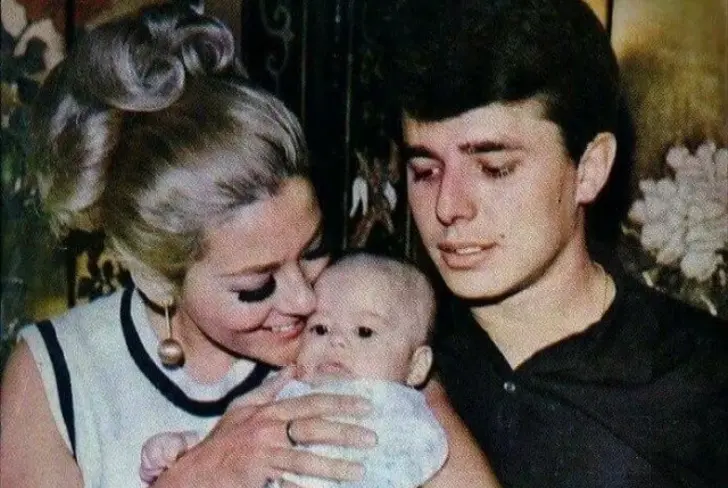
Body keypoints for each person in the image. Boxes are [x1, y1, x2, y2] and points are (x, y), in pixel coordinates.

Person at [0, 3, 497, 488]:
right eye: (256, 286)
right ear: (158, 278)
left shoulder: (361, 331)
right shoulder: (57, 377)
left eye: (313, 249)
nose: (304, 301)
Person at [377, 0, 728, 487]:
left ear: (589, 169)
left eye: (494, 168)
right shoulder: (369, 343)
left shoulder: (703, 379)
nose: (447, 207)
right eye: (425, 171)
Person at [140, 253, 449, 488]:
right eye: (320, 328)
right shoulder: (285, 389)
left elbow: (415, 462)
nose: (336, 340)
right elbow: (230, 445)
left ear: (416, 366)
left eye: (365, 331)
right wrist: (186, 449)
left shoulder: (402, 414)